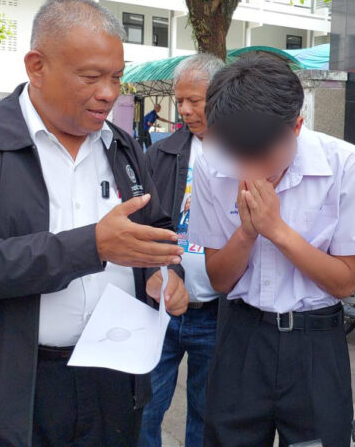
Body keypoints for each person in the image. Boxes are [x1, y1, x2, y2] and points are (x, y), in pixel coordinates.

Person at [0, 0, 190, 447]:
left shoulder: (122, 146)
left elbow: (156, 228)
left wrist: (164, 272)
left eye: (116, 77)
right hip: (16, 389)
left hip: (114, 377)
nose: (109, 92)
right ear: (37, 66)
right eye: (90, 76)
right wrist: (93, 246)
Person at [189, 54, 355, 447]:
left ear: (296, 127)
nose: (250, 168)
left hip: (316, 343)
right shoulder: (212, 166)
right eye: (238, 155)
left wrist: (277, 230)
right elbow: (219, 279)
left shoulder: (345, 164)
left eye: (262, 155)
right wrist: (247, 233)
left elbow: (344, 282)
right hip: (241, 337)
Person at [140, 53, 225, 447]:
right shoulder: (160, 154)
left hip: (217, 313)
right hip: (162, 309)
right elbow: (141, 225)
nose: (185, 110)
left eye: (195, 100)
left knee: (207, 417)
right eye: (180, 101)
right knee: (145, 409)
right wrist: (155, 274)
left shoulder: (246, 155)